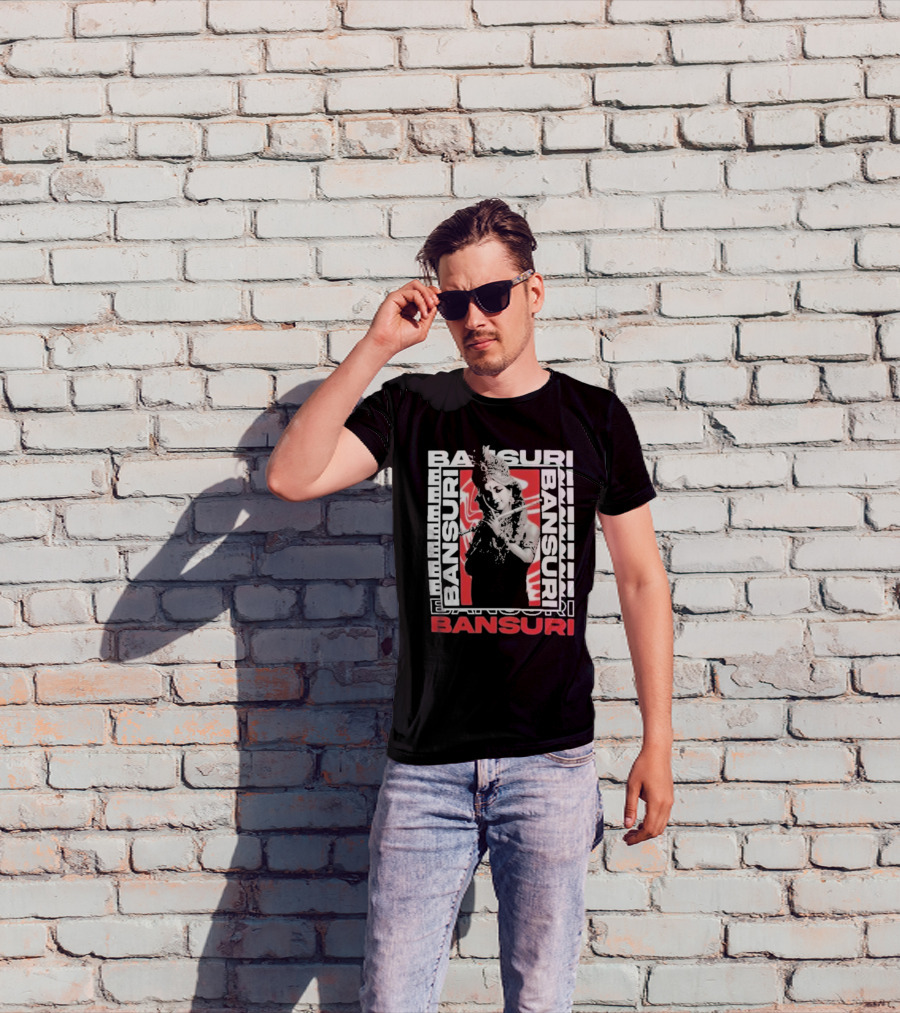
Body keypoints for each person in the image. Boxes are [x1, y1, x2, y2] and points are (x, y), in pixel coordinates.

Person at [266, 199, 674, 1013]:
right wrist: (379, 345)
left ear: (534, 291)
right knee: (393, 1000)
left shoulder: (594, 418)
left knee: (539, 999)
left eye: (492, 295)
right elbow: (291, 476)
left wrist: (657, 740)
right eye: (455, 302)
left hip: (552, 765)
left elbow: (640, 579)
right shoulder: (414, 408)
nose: (474, 317)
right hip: (427, 771)